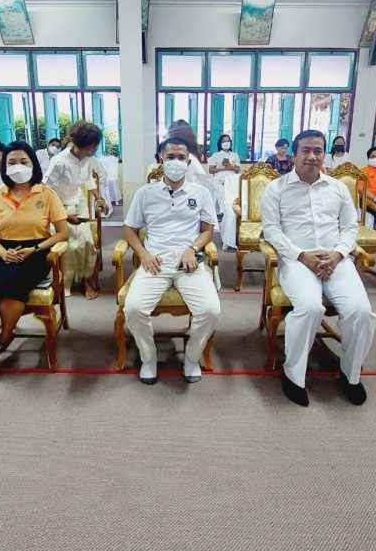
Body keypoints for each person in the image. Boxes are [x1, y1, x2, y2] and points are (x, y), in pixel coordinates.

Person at [261, 129, 376, 408]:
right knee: (310, 307)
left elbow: (350, 227)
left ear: (324, 154)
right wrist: (303, 256)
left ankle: (350, 375)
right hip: (296, 260)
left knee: (361, 311)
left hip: (336, 260)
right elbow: (271, 230)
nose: (312, 156)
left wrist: (337, 254)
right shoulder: (276, 188)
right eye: (306, 150)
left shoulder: (338, 188)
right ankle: (293, 376)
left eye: (318, 151)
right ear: (294, 155)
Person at [124, 136, 221, 385]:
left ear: (188, 161)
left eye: (181, 157)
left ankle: (191, 357)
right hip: (155, 261)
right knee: (133, 308)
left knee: (210, 310)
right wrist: (143, 255)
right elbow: (130, 230)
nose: (176, 162)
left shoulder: (201, 193)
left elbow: (207, 231)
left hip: (189, 261)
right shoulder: (145, 193)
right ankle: (148, 358)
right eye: (170, 157)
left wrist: (192, 248)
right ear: (160, 160)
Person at [0, 141, 68, 384]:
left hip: (35, 251)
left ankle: (3, 339)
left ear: (33, 164)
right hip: (2, 250)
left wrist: (34, 249)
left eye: (23, 161)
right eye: (12, 162)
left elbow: (62, 233)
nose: (18, 166)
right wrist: (2, 253)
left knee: (11, 297)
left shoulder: (46, 194)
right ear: (4, 167)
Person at [43, 120, 107, 299]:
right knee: (71, 246)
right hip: (59, 208)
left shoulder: (89, 159)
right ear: (92, 146)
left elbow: (88, 179)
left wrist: (98, 198)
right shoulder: (59, 162)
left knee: (88, 242)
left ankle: (86, 280)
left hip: (79, 204)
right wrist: (63, 215)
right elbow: (45, 190)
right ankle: (66, 282)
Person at [208, 134, 240, 213]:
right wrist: (223, 168)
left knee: (235, 193)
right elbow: (211, 170)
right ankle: (224, 212)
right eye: (224, 141)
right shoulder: (215, 155)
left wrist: (231, 167)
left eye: (228, 141)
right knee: (222, 192)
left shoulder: (235, 155)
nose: (226, 142)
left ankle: (234, 211)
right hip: (218, 179)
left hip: (231, 179)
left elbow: (238, 169)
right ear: (220, 143)